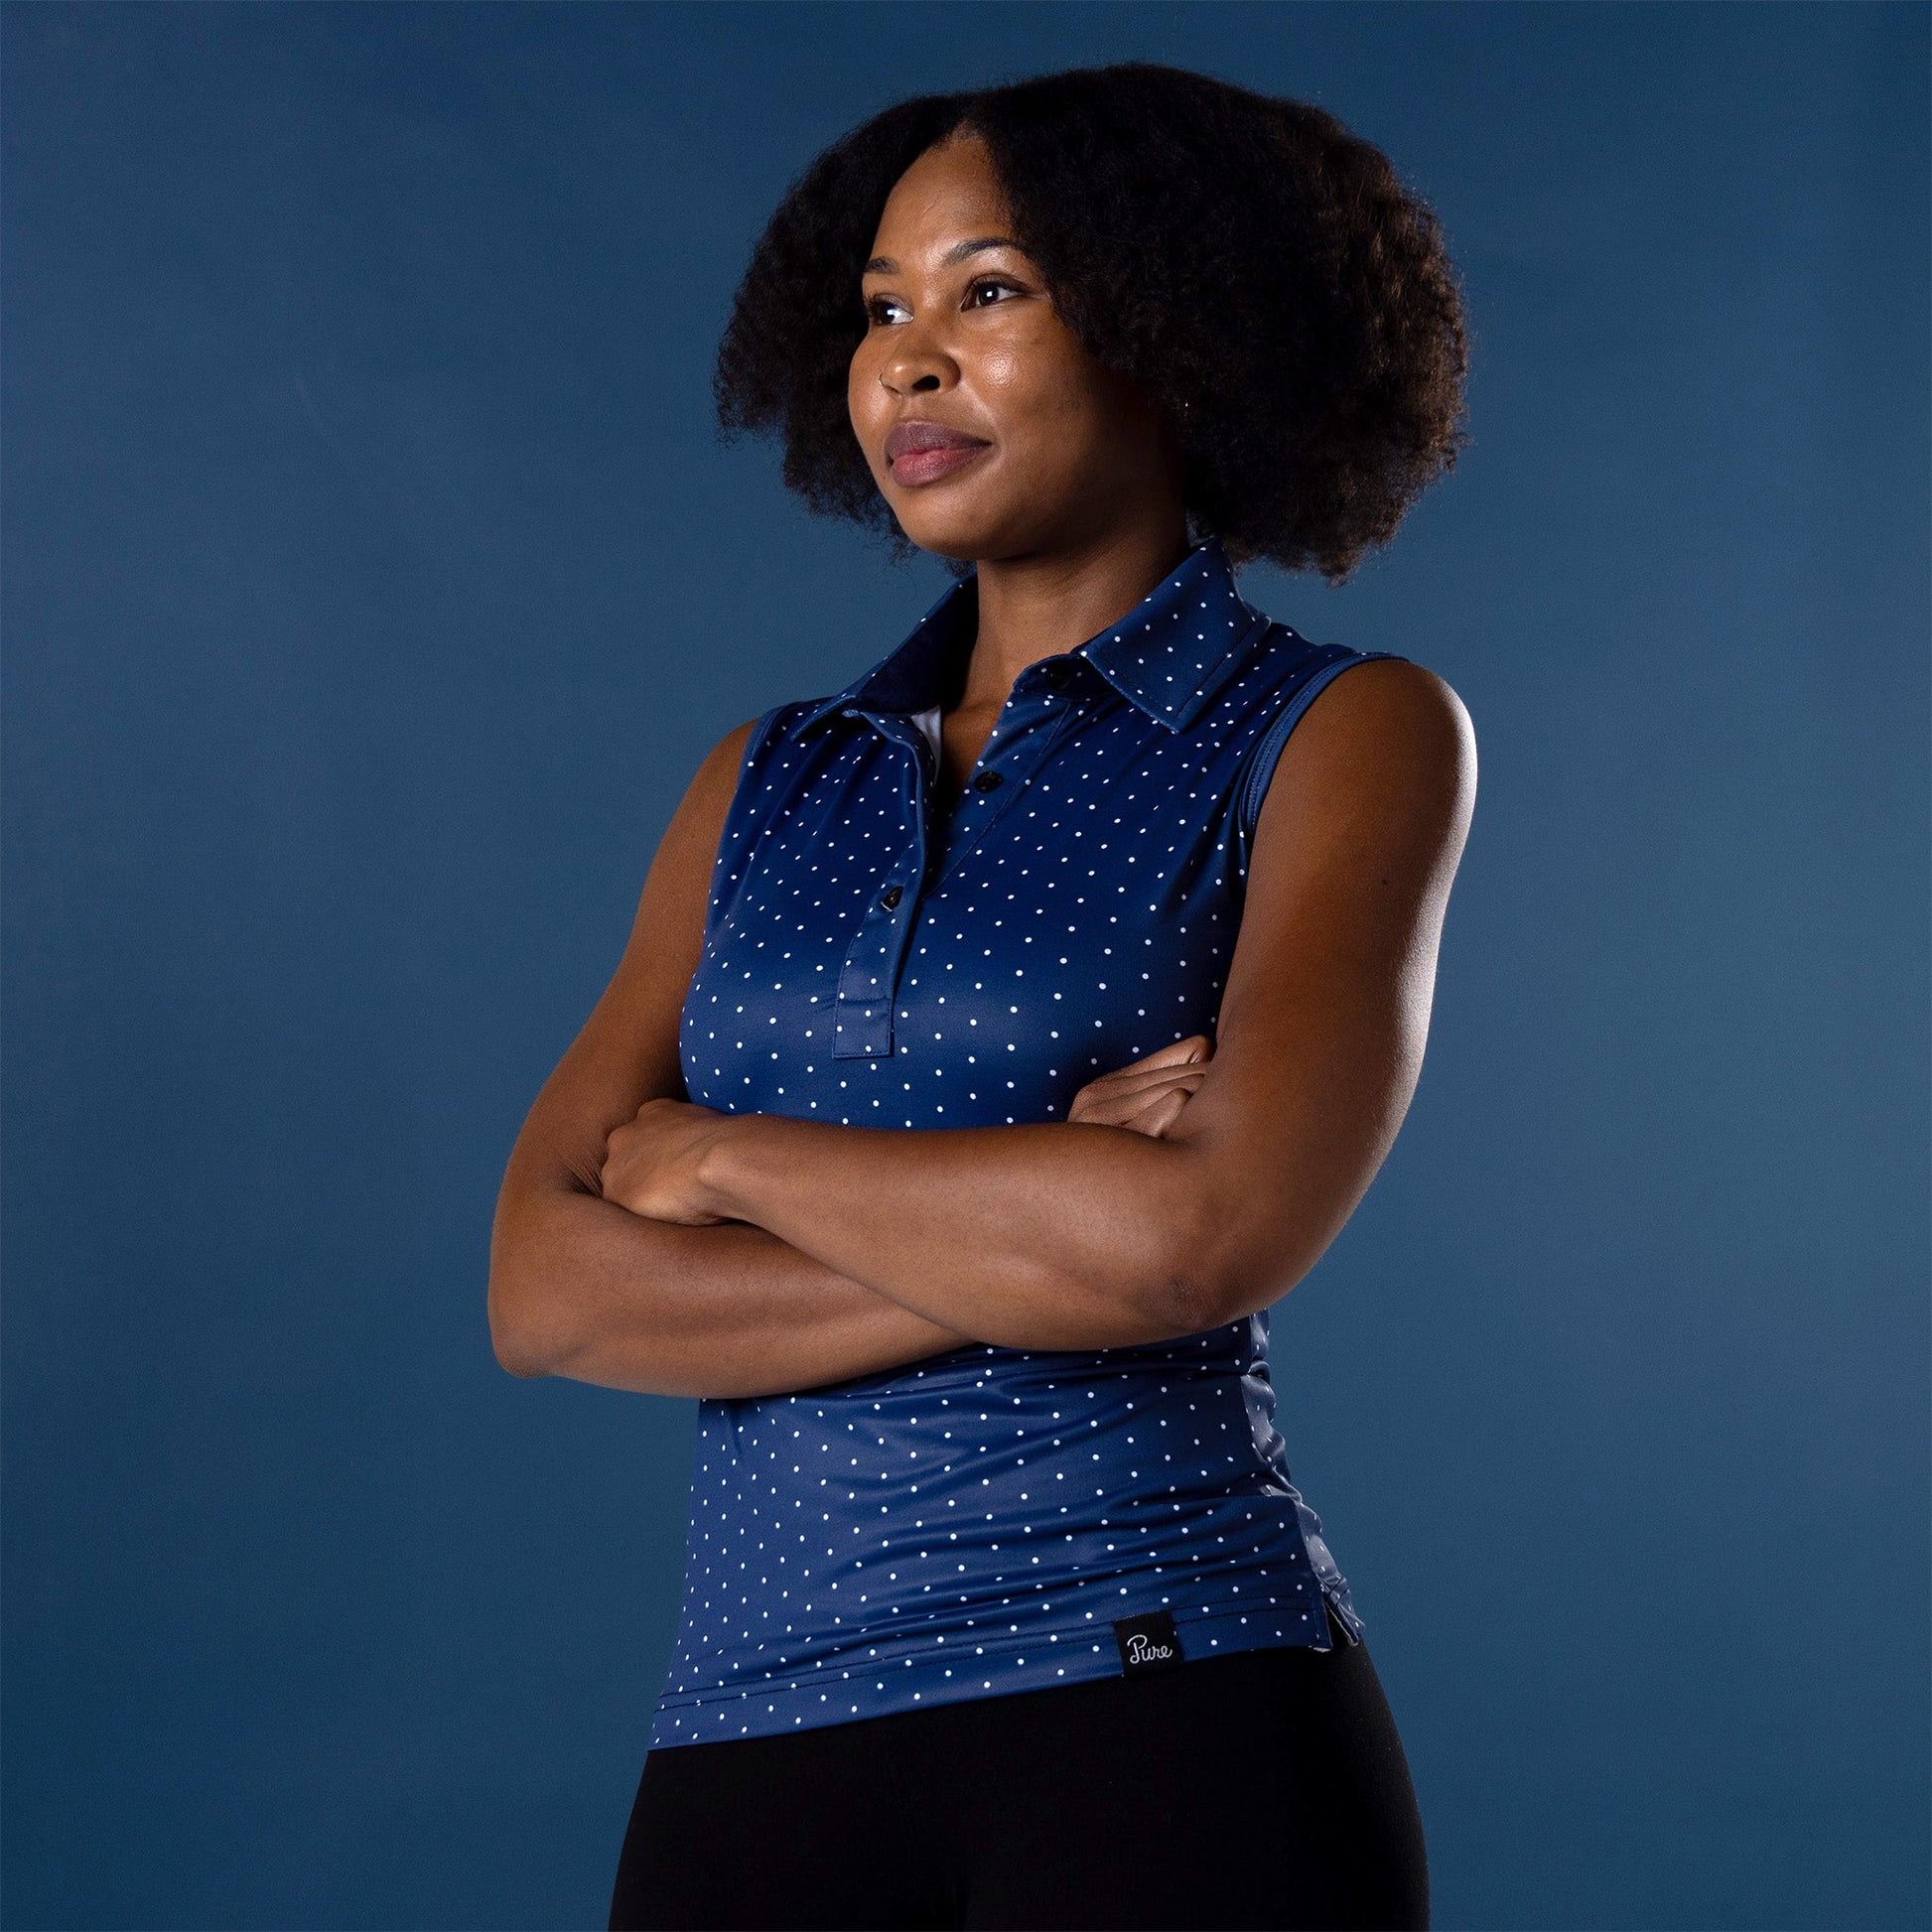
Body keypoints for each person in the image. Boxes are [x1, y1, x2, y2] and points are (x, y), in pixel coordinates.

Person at [487, 61, 1476, 1932]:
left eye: (989, 290)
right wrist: (1042, 1208)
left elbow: (1196, 1246)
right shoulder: (761, 780)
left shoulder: (1335, 731)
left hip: (1166, 1691)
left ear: (1177, 329)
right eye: (880, 311)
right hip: (754, 1721)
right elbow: (544, 1291)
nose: (908, 363)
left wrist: (718, 1159)